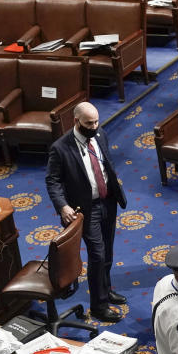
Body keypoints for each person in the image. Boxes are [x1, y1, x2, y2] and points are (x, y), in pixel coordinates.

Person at [46, 102, 128, 322]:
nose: (94, 126)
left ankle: (105, 289)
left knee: (107, 252)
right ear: (76, 121)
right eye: (88, 123)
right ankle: (99, 306)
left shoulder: (100, 134)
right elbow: (52, 181)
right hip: (86, 209)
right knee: (97, 255)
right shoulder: (61, 148)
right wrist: (63, 205)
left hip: (108, 201)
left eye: (96, 122)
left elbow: (105, 165)